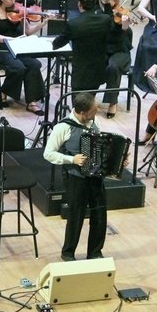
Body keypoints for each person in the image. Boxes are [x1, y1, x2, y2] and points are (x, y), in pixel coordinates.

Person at [44, 92, 110, 261]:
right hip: (75, 177)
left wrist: (116, 160)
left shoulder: (94, 122)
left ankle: (95, 252)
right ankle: (68, 252)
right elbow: (48, 153)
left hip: (95, 177)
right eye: (93, 111)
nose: (96, 113)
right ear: (82, 113)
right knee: (76, 215)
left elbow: (101, 148)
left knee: (99, 214)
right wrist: (71, 159)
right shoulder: (63, 127)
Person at [63, 0, 124, 119]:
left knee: (113, 68)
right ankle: (87, 118)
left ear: (80, 4)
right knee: (88, 101)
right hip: (98, 63)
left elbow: (60, 42)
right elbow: (109, 21)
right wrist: (107, 6)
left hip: (88, 66)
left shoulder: (78, 22)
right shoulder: (103, 18)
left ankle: (80, 121)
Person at [0, 0, 46, 114]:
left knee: (34, 64)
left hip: (17, 47)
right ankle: (4, 91)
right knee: (18, 67)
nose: (14, 2)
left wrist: (43, 23)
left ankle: (32, 101)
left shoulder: (18, 10)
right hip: (0, 48)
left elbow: (28, 31)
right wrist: (10, 39)